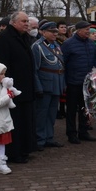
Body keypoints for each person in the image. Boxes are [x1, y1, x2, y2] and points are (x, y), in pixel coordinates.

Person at [0, 11, 37, 162]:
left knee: (25, 120)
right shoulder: (4, 39)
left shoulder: (24, 37)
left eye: (27, 21)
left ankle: (24, 149)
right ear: (14, 22)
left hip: (26, 87)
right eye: (23, 21)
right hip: (12, 88)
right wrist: (7, 86)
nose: (26, 24)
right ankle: (13, 152)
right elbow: (1, 65)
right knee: (14, 121)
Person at [61, 20, 96, 143]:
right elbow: (63, 63)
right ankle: (71, 134)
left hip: (87, 82)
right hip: (73, 82)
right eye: (86, 29)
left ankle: (83, 132)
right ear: (78, 30)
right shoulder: (68, 44)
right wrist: (65, 82)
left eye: (89, 29)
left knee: (85, 109)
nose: (89, 31)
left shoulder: (90, 43)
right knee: (72, 110)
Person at [32, 21, 65, 149]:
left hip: (56, 83)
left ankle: (49, 137)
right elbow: (35, 69)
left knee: (51, 114)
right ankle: (40, 139)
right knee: (42, 114)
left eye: (55, 32)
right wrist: (38, 87)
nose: (54, 34)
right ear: (43, 32)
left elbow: (61, 65)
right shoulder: (37, 46)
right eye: (52, 32)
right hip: (45, 84)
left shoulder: (56, 45)